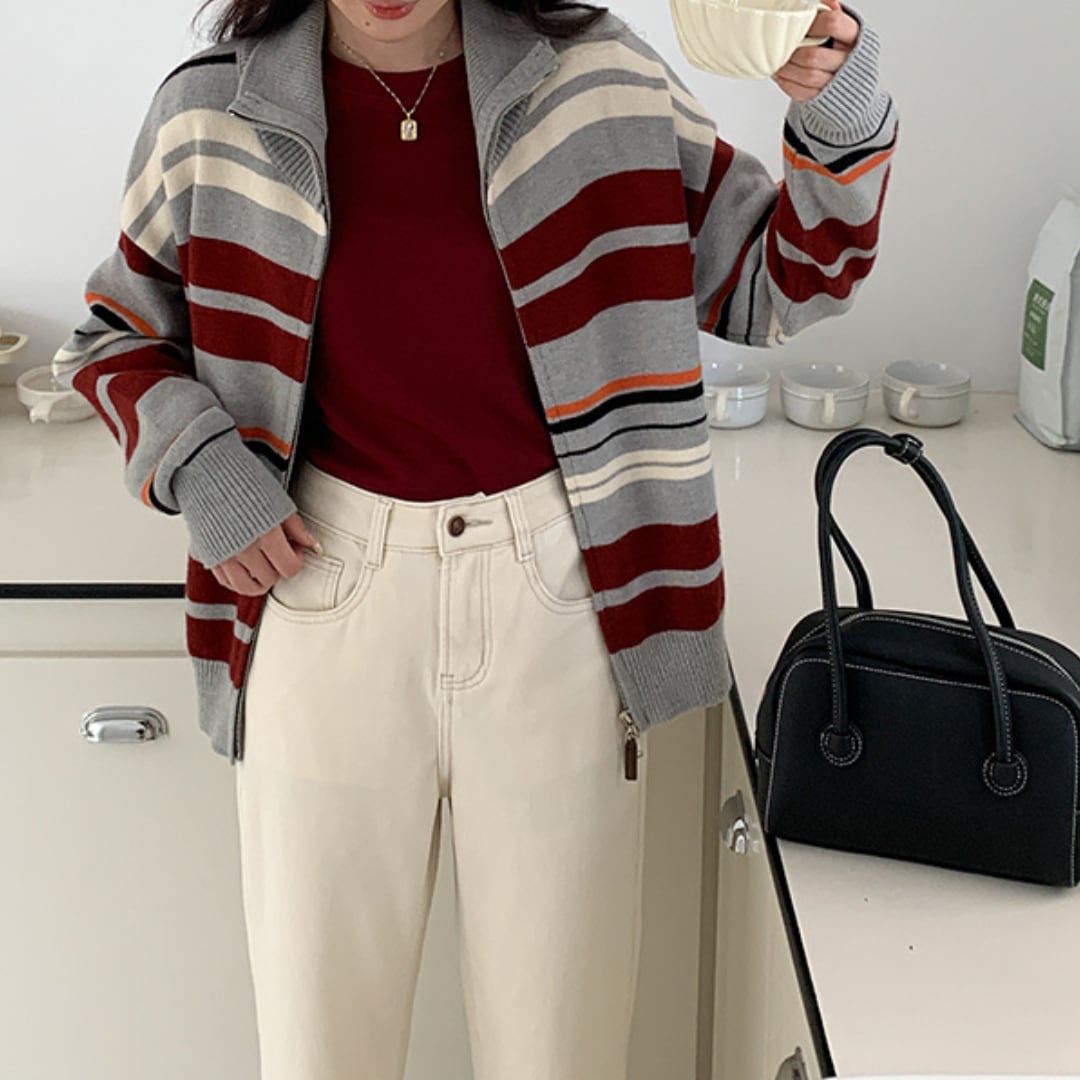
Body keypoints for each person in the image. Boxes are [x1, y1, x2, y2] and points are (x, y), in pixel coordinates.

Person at [52, 0, 897, 1075]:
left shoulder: (596, 81)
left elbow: (782, 283)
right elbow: (114, 337)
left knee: (561, 1050)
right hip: (320, 595)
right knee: (320, 1050)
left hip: (560, 598)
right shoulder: (211, 109)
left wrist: (840, 98)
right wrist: (205, 465)